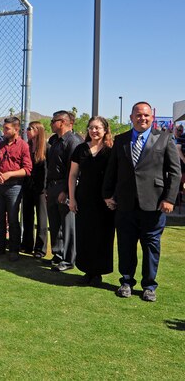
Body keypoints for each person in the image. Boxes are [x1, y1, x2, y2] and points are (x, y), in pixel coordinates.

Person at [103, 102, 181, 302]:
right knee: (126, 245)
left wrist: (169, 199)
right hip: (125, 205)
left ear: (152, 117)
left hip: (154, 204)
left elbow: (174, 172)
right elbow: (111, 171)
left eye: (146, 115)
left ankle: (149, 286)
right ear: (131, 117)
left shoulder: (165, 139)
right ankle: (126, 282)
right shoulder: (120, 141)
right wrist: (107, 195)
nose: (142, 118)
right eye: (138, 115)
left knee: (151, 246)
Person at [67, 117, 115, 286]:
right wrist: (72, 199)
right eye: (91, 128)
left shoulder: (111, 150)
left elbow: (116, 176)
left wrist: (113, 198)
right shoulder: (80, 149)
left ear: (105, 130)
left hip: (104, 201)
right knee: (85, 235)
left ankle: (98, 273)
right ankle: (87, 271)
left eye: (98, 128)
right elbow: (72, 176)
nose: (94, 131)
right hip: (84, 199)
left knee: (102, 236)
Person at [45, 110, 82, 272]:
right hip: (52, 186)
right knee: (54, 223)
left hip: (64, 186)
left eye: (53, 121)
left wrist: (66, 191)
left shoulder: (73, 141)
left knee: (67, 225)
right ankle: (58, 254)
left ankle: (68, 259)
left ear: (62, 122)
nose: (51, 124)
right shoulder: (55, 141)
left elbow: (74, 171)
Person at [0, 116, 32, 261]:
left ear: (16, 129)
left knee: (13, 218)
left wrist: (9, 174)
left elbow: (27, 169)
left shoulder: (23, 145)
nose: (4, 131)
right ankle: (0, 247)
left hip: (14, 186)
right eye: (4, 128)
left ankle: (14, 249)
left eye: (7, 128)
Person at [21, 121, 48, 258]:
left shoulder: (46, 148)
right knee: (27, 216)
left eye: (29, 129)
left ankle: (40, 248)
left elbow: (47, 170)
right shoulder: (27, 146)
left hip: (41, 189)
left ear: (37, 130)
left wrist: (45, 189)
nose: (27, 131)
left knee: (42, 219)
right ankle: (27, 244)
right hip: (27, 187)